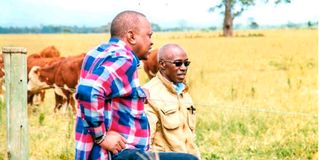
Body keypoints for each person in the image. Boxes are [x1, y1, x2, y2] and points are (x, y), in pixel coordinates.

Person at [75, 10, 198, 160]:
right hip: (116, 152)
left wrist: (137, 93)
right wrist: (102, 136)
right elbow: (89, 90)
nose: (151, 41)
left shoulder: (97, 52)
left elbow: (107, 92)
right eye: (149, 35)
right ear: (131, 36)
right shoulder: (124, 58)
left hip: (92, 151)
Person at [143, 44, 201, 159]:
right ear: (162, 65)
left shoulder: (184, 92)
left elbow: (190, 136)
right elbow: (146, 144)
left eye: (186, 63)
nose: (184, 68)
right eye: (178, 63)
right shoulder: (150, 94)